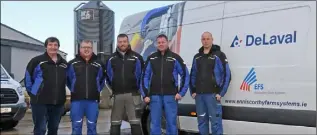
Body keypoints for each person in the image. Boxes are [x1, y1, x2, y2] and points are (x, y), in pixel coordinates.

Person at [140, 34, 190, 135]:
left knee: (171, 123)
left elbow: (185, 75)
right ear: (156, 44)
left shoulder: (175, 58)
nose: (161, 44)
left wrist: (181, 93)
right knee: (155, 123)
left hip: (171, 96)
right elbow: (144, 77)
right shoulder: (151, 58)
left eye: (163, 42)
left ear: (167, 43)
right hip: (154, 97)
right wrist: (145, 94)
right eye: (159, 42)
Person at [189, 32, 231, 135]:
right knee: (202, 122)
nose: (206, 41)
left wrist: (220, 93)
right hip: (199, 96)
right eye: (203, 39)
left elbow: (227, 75)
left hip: (213, 95)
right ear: (201, 40)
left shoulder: (219, 55)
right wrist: (193, 91)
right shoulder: (197, 57)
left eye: (208, 39)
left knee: (215, 123)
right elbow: (192, 75)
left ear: (212, 39)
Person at [24, 37, 68, 135]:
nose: (53, 47)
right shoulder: (37, 61)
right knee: (40, 129)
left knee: (54, 129)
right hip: (40, 101)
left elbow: (69, 80)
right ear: (46, 47)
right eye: (50, 45)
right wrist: (33, 94)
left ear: (58, 47)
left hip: (58, 102)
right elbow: (28, 78)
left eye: (55, 45)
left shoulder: (64, 64)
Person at [105, 34, 144, 135]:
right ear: (117, 43)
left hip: (133, 95)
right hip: (117, 95)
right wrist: (113, 89)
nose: (122, 44)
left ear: (128, 42)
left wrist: (139, 91)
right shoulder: (111, 59)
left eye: (124, 41)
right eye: (120, 42)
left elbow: (142, 76)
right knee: (115, 124)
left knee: (135, 123)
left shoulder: (137, 57)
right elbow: (108, 77)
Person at [66, 39, 106, 135]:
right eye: (84, 47)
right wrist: (75, 89)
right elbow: (68, 79)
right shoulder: (72, 63)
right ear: (80, 49)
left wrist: (96, 90)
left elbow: (102, 80)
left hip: (92, 101)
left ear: (92, 49)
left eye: (89, 47)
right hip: (77, 101)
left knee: (92, 127)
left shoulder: (99, 64)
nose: (86, 49)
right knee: (76, 127)